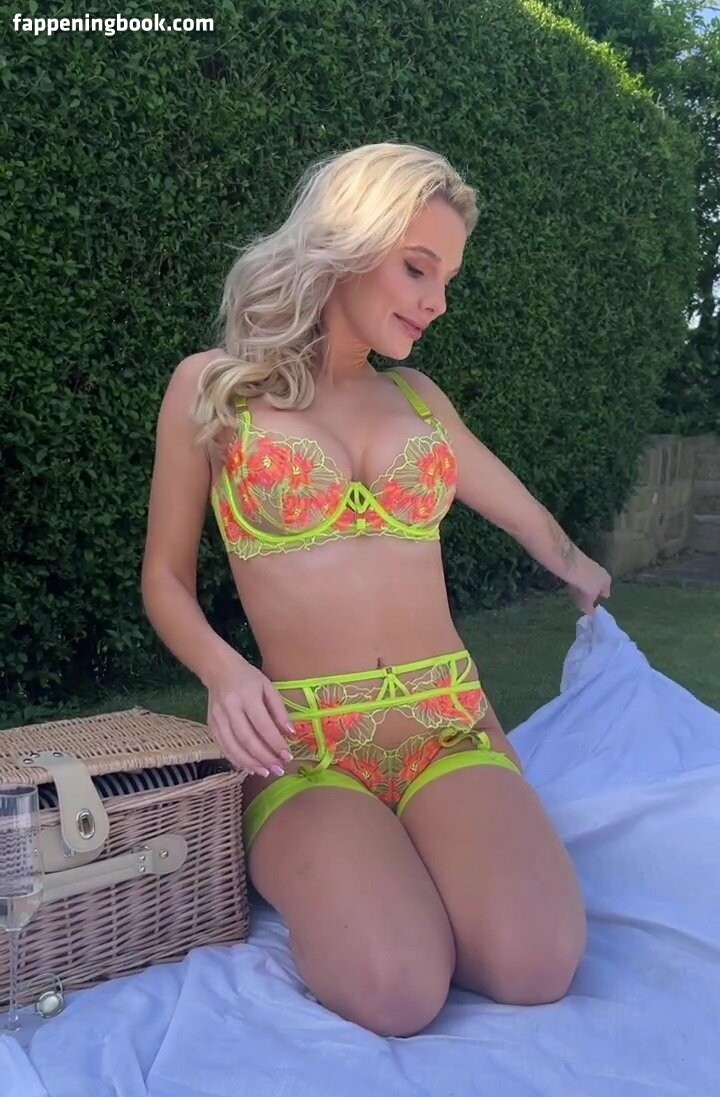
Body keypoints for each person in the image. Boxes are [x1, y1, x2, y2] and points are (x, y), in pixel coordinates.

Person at [141, 141, 612, 1038]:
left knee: (537, 962)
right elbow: (164, 578)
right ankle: (367, 868)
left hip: (449, 724)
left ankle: (423, 860)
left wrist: (580, 569)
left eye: (448, 279)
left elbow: (525, 514)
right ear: (346, 243)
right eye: (417, 268)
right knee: (397, 988)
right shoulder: (213, 390)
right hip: (304, 744)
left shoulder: (421, 400)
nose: (437, 301)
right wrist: (224, 672)